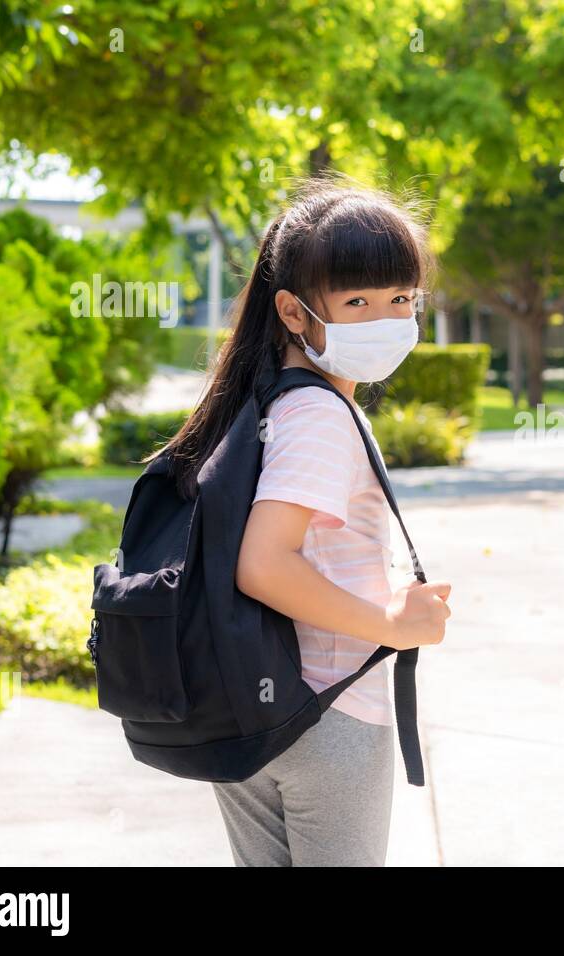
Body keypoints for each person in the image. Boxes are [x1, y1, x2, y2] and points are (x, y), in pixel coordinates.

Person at [159, 177, 452, 866]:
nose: (386, 318)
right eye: (356, 301)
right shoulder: (320, 416)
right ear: (293, 311)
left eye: (401, 298)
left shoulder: (267, 404)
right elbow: (264, 564)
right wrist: (393, 625)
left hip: (253, 709)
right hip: (330, 710)